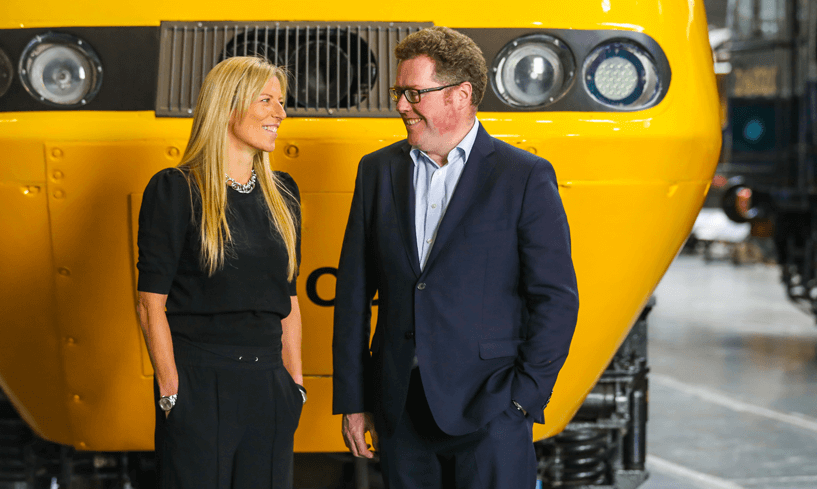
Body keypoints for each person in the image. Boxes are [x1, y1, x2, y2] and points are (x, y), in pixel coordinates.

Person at [332, 27, 579, 488]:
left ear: (461, 94)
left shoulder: (523, 177)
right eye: (398, 92)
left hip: (492, 413)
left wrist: (523, 400)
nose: (401, 105)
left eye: (414, 93)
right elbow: (353, 295)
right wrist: (353, 400)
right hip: (400, 414)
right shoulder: (377, 172)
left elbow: (556, 299)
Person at [136, 56, 305, 489]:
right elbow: (149, 301)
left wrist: (295, 385)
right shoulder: (175, 189)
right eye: (266, 100)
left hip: (270, 386)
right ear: (228, 105)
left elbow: (288, 299)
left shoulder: (284, 194)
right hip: (199, 384)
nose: (280, 113)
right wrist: (171, 391)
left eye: (281, 102)